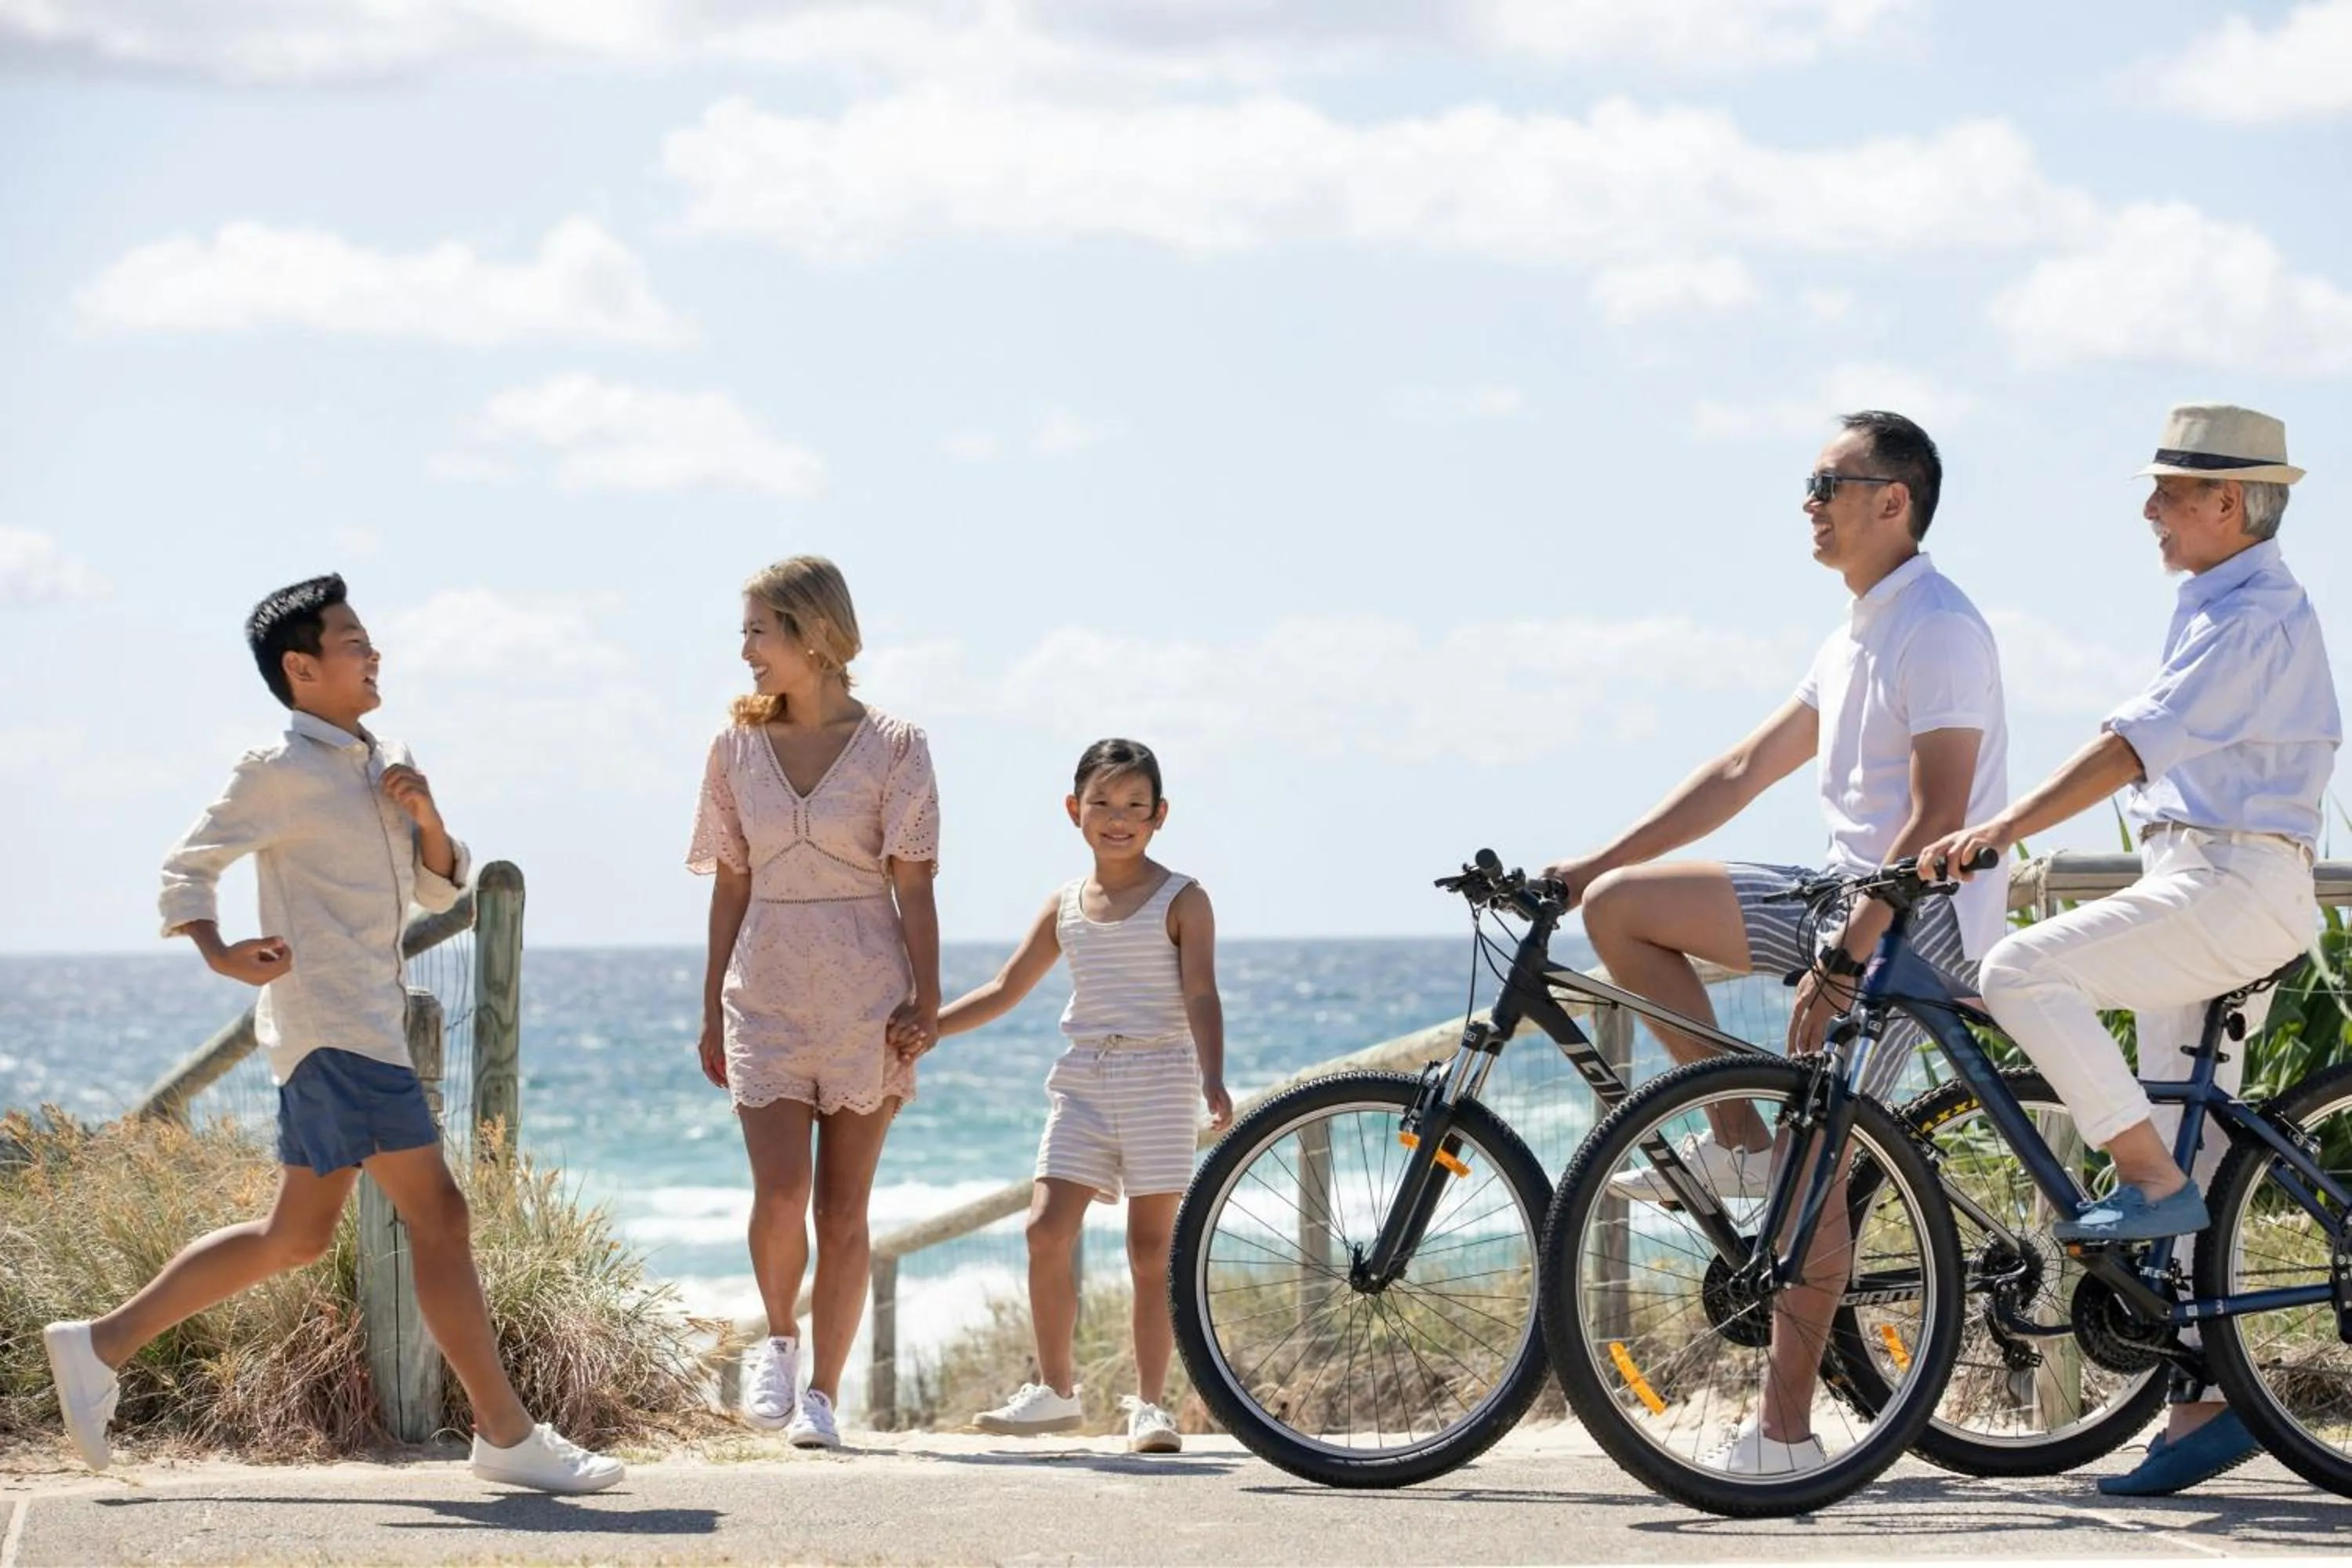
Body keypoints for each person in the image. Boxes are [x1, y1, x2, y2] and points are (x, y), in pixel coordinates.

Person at [42, 575, 622, 1493]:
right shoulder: (274, 768)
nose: (374, 651)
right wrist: (218, 948)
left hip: (363, 1025)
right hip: (332, 1025)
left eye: (369, 636)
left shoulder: (385, 756)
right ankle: (506, 1434)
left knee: (294, 1236)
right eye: (353, 639)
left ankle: (97, 1343)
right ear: (302, 667)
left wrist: (428, 814)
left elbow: (439, 888)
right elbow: (188, 865)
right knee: (441, 1215)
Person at [1544, 409, 2009, 1474]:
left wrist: (1848, 953)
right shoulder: (1855, 628)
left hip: (1918, 916)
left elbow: (1940, 813)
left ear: (1893, 501)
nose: (1807, 502)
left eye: (1826, 483)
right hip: (1841, 890)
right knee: (1624, 909)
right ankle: (1741, 1140)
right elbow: (1743, 771)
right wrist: (1590, 861)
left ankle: (1790, 1435)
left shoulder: (1937, 627)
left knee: (1820, 1158)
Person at [1925, 403, 2337, 1496]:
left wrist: (2000, 831)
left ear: (2228, 502)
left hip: (2231, 884)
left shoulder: (2255, 618)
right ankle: (2206, 1407)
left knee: (2020, 970)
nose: (2150, 509)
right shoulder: (2220, 603)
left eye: (2170, 490)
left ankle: (2144, 1181)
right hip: (2204, 880)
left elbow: (2130, 746)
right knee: (2193, 1144)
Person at [904, 739, 1231, 1454]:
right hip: (1084, 1080)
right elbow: (1003, 990)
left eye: (1135, 806)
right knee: (1046, 1229)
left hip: (1160, 1077)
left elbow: (1201, 992)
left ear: (1160, 815)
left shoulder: (1185, 898)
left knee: (1151, 1252)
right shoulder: (1065, 905)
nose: (1119, 818)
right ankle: (1056, 1393)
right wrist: (927, 1031)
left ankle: (1151, 1406)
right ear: (1073, 810)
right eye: (1103, 803)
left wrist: (1212, 1076)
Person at [688, 554, 941, 1450]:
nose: (747, 649)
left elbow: (915, 885)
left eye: (760, 629)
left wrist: (928, 998)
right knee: (780, 1188)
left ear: (811, 633)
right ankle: (781, 1338)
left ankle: (825, 1396)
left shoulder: (899, 746)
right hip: (765, 989)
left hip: (867, 994)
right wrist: (713, 1005)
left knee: (842, 1207)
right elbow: (729, 882)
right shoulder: (733, 748)